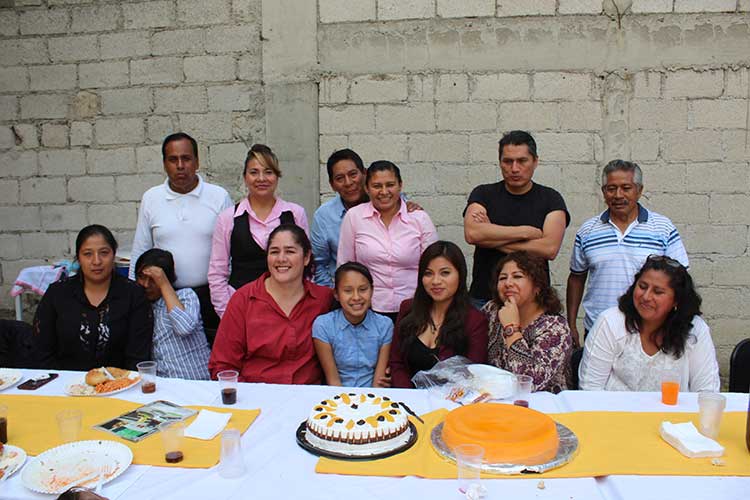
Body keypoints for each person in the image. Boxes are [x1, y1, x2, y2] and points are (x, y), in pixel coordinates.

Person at [567, 159, 688, 348]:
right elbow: (576, 277)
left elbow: (680, 279)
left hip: (649, 330)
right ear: (603, 192)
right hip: (598, 329)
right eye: (611, 188)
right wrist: (571, 323)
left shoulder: (663, 228)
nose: (618, 195)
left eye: (626, 188)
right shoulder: (587, 230)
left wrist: (676, 322)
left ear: (639, 190)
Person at [129, 132, 232, 339]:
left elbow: (231, 252)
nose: (180, 165)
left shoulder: (218, 196)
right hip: (166, 297)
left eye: (186, 158)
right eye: (173, 159)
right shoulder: (151, 198)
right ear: (164, 164)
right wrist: (135, 297)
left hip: (212, 297)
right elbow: (141, 249)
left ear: (197, 162)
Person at [208, 224, 333, 384]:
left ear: (306, 257)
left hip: (309, 399)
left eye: (290, 251)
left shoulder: (324, 300)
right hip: (256, 397)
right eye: (274, 252)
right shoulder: (243, 300)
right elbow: (222, 366)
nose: (281, 259)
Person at [579, 255, 720, 392]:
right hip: (612, 413)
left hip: (675, 415)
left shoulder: (695, 330)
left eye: (658, 292)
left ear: (676, 301)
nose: (646, 297)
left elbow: (707, 392)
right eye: (642, 286)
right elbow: (590, 389)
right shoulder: (610, 322)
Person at [463, 130, 569, 309]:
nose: (514, 168)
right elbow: (473, 234)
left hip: (533, 302)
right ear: (500, 162)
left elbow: (549, 248)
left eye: (522, 161)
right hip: (484, 298)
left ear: (535, 161)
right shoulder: (483, 194)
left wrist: (491, 237)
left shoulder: (551, 199)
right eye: (507, 161)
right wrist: (526, 232)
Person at [33, 225, 153, 371]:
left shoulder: (134, 295)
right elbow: (41, 351)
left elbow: (138, 356)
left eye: (104, 253)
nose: (96, 261)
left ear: (114, 255)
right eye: (88, 254)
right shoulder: (57, 293)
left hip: (120, 386)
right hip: (65, 386)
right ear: (78, 258)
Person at [208, 144, 309, 317]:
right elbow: (217, 273)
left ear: (277, 176)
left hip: (288, 308)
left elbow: (307, 265)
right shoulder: (228, 218)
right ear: (245, 177)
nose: (261, 178)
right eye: (254, 172)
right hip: (243, 308)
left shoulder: (295, 214)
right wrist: (229, 314)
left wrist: (302, 307)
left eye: (268, 172)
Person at [337, 160, 438, 321]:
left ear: (400, 185)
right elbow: (345, 266)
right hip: (369, 310)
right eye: (377, 186)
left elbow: (434, 266)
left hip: (415, 309)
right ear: (366, 188)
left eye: (390, 185)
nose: (384, 191)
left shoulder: (419, 219)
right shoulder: (354, 217)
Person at [311, 148, 422, 288]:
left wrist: (407, 206)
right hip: (348, 295)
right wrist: (334, 295)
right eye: (339, 178)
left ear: (364, 173)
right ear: (332, 184)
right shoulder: (324, 217)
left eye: (353, 174)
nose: (348, 182)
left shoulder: (390, 204)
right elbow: (319, 264)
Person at [390, 241, 488, 388]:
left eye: (445, 273)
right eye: (428, 273)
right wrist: (411, 396)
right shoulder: (408, 309)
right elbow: (396, 363)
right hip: (408, 400)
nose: (436, 281)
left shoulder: (475, 320)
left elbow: (473, 373)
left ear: (460, 275)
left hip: (452, 402)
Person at [484, 251, 573, 393]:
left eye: (517, 276)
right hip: (495, 398)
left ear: (537, 287)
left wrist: (511, 328)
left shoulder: (555, 328)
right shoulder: (493, 310)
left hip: (543, 404)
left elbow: (528, 383)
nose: (508, 283)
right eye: (502, 278)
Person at [312, 262, 393, 387]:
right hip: (337, 396)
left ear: (372, 291)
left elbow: (379, 381)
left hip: (374, 395)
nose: (356, 297)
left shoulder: (385, 325)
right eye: (348, 291)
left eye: (363, 289)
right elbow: (333, 380)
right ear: (336, 294)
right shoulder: (323, 325)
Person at [134, 249, 211, 380]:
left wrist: (163, 284)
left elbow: (184, 328)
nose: (146, 284)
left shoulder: (186, 296)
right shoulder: (141, 306)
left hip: (196, 382)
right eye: (142, 277)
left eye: (153, 279)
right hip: (165, 386)